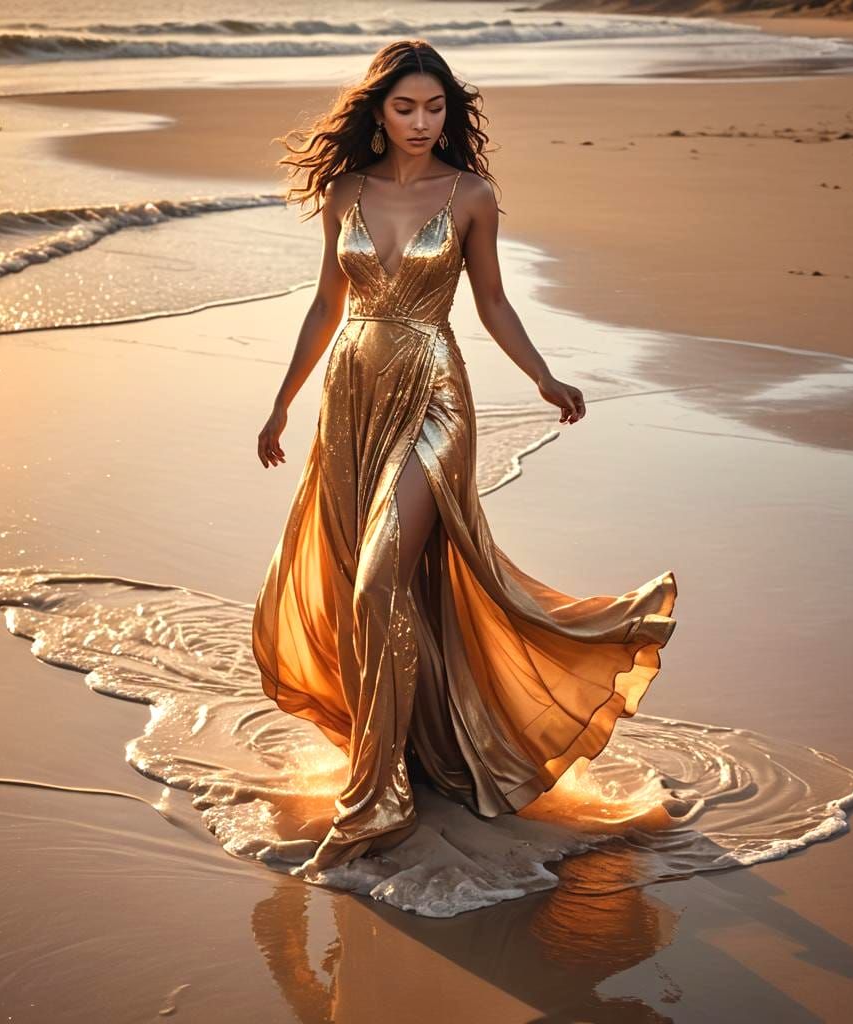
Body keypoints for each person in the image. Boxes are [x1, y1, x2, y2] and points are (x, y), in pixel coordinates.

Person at [251, 39, 678, 880]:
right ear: (378, 111)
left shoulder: (471, 194)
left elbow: (492, 303)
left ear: (451, 111)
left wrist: (546, 375)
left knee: (379, 580)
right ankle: (406, 752)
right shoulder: (345, 191)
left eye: (435, 108)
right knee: (367, 588)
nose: (420, 123)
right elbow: (323, 306)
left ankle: (376, 800)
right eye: (405, 107)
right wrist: (281, 401)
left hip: (433, 391)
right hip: (349, 393)